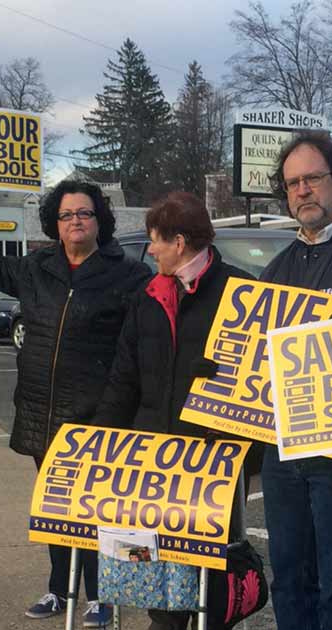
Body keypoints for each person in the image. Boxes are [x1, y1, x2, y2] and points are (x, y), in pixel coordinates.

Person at [0, 180, 151, 627]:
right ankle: (59, 590)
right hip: (41, 412)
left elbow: (143, 341)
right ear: (56, 224)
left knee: (96, 512)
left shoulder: (127, 274)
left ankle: (102, 596)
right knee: (57, 509)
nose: (76, 222)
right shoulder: (36, 267)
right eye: (67, 216)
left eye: (84, 213)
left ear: (99, 220)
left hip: (96, 415)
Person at [93, 192, 255, 630]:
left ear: (179, 241)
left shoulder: (238, 293)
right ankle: (163, 620)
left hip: (210, 461)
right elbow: (123, 378)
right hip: (153, 456)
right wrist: (99, 442)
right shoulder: (148, 296)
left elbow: (262, 385)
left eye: (155, 241)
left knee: (211, 567)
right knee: (152, 560)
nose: (150, 250)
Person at [260, 130, 332, 630]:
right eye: (292, 184)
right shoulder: (275, 269)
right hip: (283, 450)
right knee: (288, 579)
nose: (303, 191)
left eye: (312, 178)